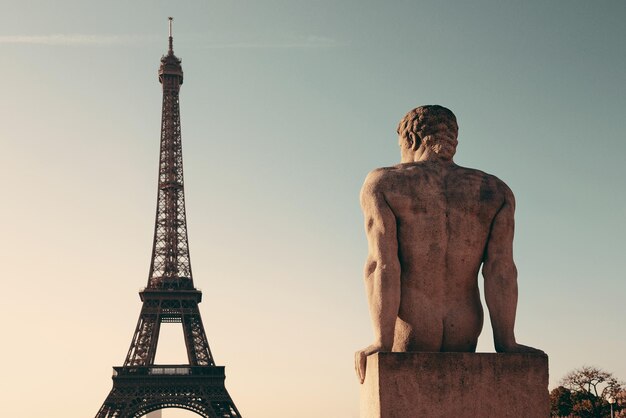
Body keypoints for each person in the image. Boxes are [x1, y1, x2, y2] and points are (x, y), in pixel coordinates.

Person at [355, 105, 542, 384]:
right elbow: (501, 270)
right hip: (465, 325)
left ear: (412, 140)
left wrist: (382, 341)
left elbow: (382, 265)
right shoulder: (496, 191)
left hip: (413, 325)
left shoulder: (385, 183)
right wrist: (507, 342)